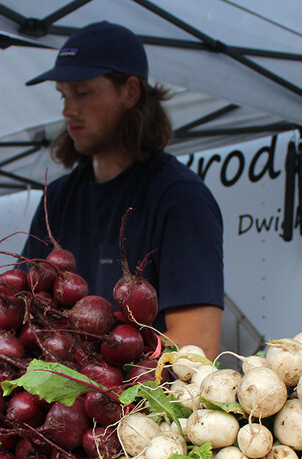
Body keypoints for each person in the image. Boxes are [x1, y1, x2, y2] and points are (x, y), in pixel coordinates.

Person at [20, 21, 225, 357]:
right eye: (63, 95)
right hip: (57, 405)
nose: (67, 109)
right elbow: (22, 312)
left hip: (145, 405)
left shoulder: (180, 197)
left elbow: (196, 344)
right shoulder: (56, 199)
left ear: (130, 91)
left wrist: (92, 374)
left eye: (82, 93)